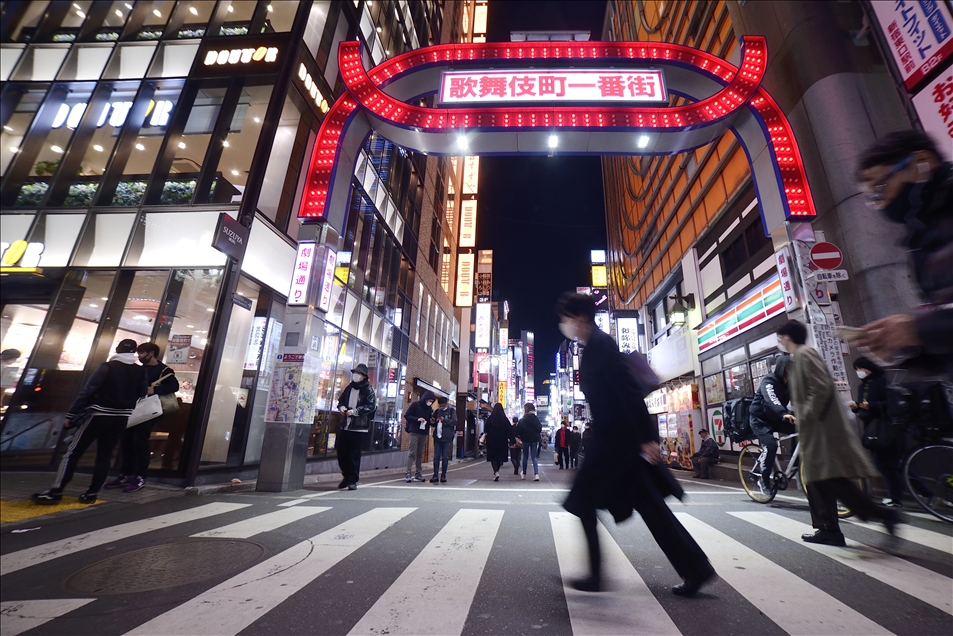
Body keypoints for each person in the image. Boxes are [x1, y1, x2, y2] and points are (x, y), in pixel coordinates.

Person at [557, 292, 714, 595]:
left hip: (616, 445)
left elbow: (627, 393)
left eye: (566, 317)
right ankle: (697, 568)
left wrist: (646, 439)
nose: (564, 324)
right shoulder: (594, 347)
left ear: (580, 318)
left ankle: (596, 576)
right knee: (648, 507)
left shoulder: (600, 345)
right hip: (615, 443)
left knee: (583, 500)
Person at [777, 320, 899, 545]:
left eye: (780, 337)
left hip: (821, 430)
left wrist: (805, 416)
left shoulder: (805, 354)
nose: (779, 341)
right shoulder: (801, 357)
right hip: (816, 430)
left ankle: (880, 515)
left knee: (830, 480)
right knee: (818, 480)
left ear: (788, 337)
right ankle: (829, 529)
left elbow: (820, 389)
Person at [854, 130, 953, 380]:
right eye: (873, 198)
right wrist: (907, 348)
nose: (882, 202)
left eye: (882, 186)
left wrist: (919, 328)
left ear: (921, 162)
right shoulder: (922, 239)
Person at [32, 339, 147, 505]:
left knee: (73, 452)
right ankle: (92, 493)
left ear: (117, 350)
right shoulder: (140, 371)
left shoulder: (107, 367)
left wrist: (71, 414)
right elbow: (142, 393)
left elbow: (87, 391)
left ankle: (56, 491)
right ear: (134, 352)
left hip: (99, 414)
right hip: (121, 418)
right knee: (105, 456)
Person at [102, 343, 178, 494]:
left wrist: (154, 389)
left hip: (148, 412)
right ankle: (126, 474)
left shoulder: (164, 371)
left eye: (142, 353)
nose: (139, 356)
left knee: (140, 441)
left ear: (151, 353)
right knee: (127, 441)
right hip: (131, 409)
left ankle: (140, 476)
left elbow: (174, 386)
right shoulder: (137, 368)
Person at [849, 357, 903, 507]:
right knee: (892, 464)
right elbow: (863, 408)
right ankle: (922, 494)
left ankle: (896, 497)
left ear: (868, 368)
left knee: (887, 464)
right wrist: (856, 407)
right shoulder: (862, 386)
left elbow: (891, 404)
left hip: (886, 427)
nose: (859, 372)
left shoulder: (882, 382)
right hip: (872, 427)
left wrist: (871, 405)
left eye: (860, 368)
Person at [749, 355, 795, 491]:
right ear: (782, 368)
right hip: (759, 420)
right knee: (772, 446)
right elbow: (770, 398)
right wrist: (783, 413)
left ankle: (796, 462)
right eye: (788, 368)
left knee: (800, 430)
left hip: (775, 418)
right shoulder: (769, 380)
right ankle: (763, 479)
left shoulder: (791, 384)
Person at [334, 363, 376, 491]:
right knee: (341, 453)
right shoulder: (349, 387)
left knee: (353, 454)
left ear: (363, 376)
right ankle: (346, 476)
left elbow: (371, 406)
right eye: (355, 373)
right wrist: (341, 407)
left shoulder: (368, 389)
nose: (356, 376)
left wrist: (356, 411)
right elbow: (341, 400)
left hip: (359, 427)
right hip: (345, 425)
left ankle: (352, 480)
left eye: (358, 374)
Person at [403, 390, 434, 482]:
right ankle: (408, 473)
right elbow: (407, 416)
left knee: (420, 453)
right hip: (414, 431)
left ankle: (418, 474)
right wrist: (417, 419)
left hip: (424, 432)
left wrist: (431, 421)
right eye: (429, 400)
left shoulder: (429, 409)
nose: (430, 402)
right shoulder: (415, 405)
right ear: (425, 399)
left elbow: (428, 420)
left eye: (432, 401)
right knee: (412, 452)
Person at [484, 403, 513, 481]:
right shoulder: (505, 419)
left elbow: (485, 429)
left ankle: (496, 471)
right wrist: (512, 441)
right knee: (500, 458)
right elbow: (510, 430)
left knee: (493, 457)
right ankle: (497, 471)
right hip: (502, 441)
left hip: (491, 441)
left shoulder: (490, 419)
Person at [430, 396, 456, 483]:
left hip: (446, 437)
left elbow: (454, 422)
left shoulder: (451, 411)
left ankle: (443, 475)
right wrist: (433, 421)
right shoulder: (437, 411)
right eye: (440, 405)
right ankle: (435, 475)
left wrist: (444, 420)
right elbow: (433, 422)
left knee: (445, 457)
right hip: (437, 436)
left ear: (447, 404)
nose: (441, 406)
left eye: (443, 405)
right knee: (436, 456)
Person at [516, 402, 543, 481]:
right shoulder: (536, 419)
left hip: (525, 440)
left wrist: (520, 436)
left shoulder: (523, 419)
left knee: (525, 457)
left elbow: (518, 430)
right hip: (534, 440)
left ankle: (524, 473)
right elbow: (539, 429)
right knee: (534, 457)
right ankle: (536, 474)